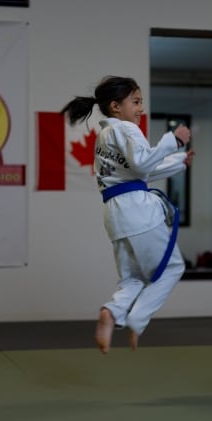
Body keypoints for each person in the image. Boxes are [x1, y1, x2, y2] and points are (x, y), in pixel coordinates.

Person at [61, 76, 194, 354]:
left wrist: (179, 162)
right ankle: (136, 319)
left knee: (133, 277)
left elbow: (139, 171)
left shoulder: (105, 136)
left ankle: (112, 312)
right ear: (115, 106)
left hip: (115, 214)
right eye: (135, 102)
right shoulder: (129, 130)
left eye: (140, 102)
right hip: (137, 211)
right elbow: (143, 162)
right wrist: (174, 140)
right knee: (172, 267)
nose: (140, 109)